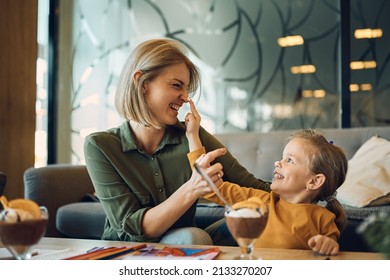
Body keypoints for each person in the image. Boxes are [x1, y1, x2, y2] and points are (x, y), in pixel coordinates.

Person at [84, 38, 270, 246]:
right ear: (143, 84)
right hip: (127, 252)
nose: (185, 98)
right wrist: (193, 187)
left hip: (183, 245)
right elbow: (133, 228)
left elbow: (254, 187)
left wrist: (307, 194)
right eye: (176, 85)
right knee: (193, 237)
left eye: (186, 89)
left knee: (261, 218)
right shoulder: (100, 146)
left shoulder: (192, 135)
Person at [186, 106, 347, 255]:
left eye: (289, 160)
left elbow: (330, 250)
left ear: (314, 181)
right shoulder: (260, 200)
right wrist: (193, 135)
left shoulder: (324, 219)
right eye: (282, 158)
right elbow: (207, 184)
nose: (278, 162)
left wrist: (327, 244)